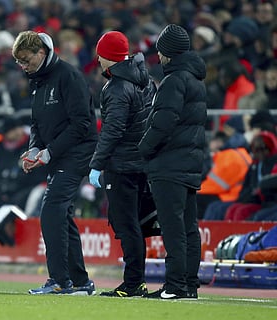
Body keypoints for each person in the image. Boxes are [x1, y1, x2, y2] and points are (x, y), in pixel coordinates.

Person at [12, 30, 98, 295]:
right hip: (58, 152)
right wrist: (34, 148)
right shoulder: (36, 80)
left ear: (42, 52)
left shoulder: (69, 77)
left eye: (26, 60)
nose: (23, 67)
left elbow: (83, 124)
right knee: (62, 215)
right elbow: (37, 122)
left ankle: (59, 281)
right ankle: (81, 281)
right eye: (20, 63)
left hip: (78, 150)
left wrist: (48, 152)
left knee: (51, 209)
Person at [138, 24, 207, 299]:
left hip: (169, 165)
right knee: (189, 228)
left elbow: (163, 122)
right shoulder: (195, 79)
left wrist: (143, 148)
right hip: (189, 163)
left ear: (167, 52)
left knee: (173, 228)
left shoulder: (174, 80)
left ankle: (175, 286)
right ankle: (189, 286)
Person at [87, 30, 156, 297]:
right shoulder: (144, 79)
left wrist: (97, 164)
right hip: (141, 162)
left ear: (107, 57)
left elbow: (112, 130)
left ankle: (133, 282)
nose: (98, 59)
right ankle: (135, 280)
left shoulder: (116, 87)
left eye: (100, 54)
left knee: (127, 226)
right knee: (135, 226)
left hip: (122, 165)